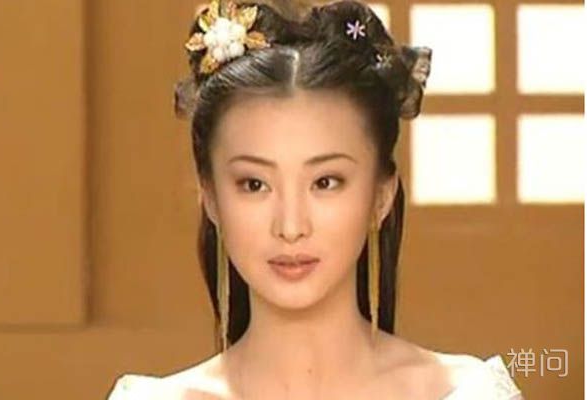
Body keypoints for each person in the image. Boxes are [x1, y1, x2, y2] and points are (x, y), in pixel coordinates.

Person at [106, 0, 524, 399]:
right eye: (254, 184)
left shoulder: (468, 393)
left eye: (325, 182)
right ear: (210, 197)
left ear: (382, 195)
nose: (291, 226)